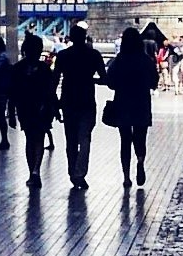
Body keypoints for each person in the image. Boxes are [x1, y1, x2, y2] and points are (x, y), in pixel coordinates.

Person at [55, 21, 105, 189]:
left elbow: (55, 80)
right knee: (85, 139)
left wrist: (54, 104)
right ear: (85, 38)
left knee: (70, 140)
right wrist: (92, 80)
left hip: (68, 100)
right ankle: (80, 172)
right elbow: (104, 78)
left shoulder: (62, 56)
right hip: (87, 100)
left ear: (70, 38)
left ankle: (72, 172)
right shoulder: (94, 55)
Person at [107, 21, 156, 189]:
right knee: (140, 138)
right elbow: (154, 82)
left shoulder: (119, 60)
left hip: (123, 103)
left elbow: (110, 82)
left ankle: (126, 177)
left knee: (125, 140)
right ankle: (140, 161)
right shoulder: (145, 60)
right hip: (142, 103)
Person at [12, 32, 59, 189]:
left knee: (29, 139)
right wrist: (55, 108)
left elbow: (12, 92)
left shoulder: (18, 68)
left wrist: (11, 112)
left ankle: (32, 171)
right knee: (39, 138)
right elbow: (51, 91)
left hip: (25, 108)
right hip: (43, 108)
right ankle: (36, 171)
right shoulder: (45, 69)